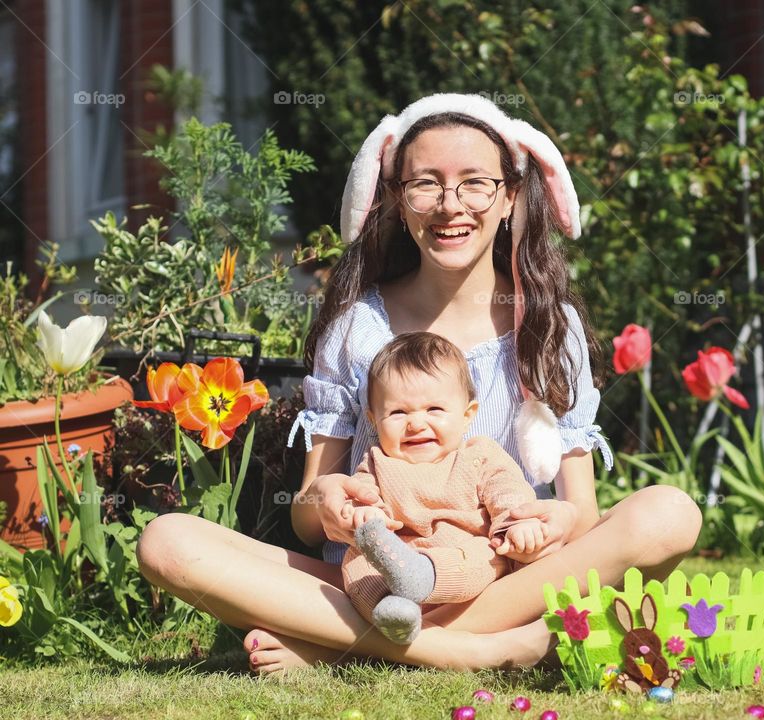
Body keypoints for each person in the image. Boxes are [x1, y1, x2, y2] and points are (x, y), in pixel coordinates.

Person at [136, 92, 702, 676]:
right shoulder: (358, 327)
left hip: (510, 576)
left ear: (509, 196)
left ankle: (341, 643)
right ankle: (484, 651)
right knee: (167, 541)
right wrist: (328, 504)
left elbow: (582, 513)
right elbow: (308, 513)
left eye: (475, 182)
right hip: (372, 579)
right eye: (425, 184)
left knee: (670, 513)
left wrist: (549, 523)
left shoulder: (549, 327)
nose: (449, 205)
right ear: (396, 199)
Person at [340, 331, 556, 645]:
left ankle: (420, 581)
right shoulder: (376, 463)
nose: (415, 423)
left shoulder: (478, 455)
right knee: (358, 564)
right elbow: (362, 495)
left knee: (487, 555)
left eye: (434, 410)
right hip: (394, 558)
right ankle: (394, 613)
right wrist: (362, 512)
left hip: (459, 558)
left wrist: (518, 523)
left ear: (467, 415)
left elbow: (506, 489)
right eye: (398, 413)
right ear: (374, 421)